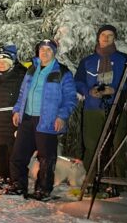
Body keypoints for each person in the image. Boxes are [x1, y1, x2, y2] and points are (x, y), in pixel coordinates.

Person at [8, 39, 77, 200]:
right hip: (27, 118)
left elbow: (70, 98)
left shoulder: (62, 72)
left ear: (54, 53)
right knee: (18, 155)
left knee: (46, 158)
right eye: (42, 49)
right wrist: (17, 110)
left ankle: (43, 190)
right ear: (38, 51)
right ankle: (18, 185)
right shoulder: (32, 69)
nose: (44, 52)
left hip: (47, 120)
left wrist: (62, 116)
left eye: (48, 50)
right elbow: (22, 93)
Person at [75, 25, 127, 176]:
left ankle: (119, 182)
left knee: (118, 144)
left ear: (115, 38)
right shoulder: (88, 61)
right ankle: (89, 180)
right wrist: (89, 91)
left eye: (110, 35)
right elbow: (78, 82)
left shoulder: (125, 59)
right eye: (103, 35)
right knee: (91, 145)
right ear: (98, 37)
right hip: (93, 108)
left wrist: (116, 89)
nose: (106, 38)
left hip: (117, 106)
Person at [0, 44, 27, 189]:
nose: (1, 65)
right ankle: (2, 176)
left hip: (11, 118)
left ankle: (14, 178)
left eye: (4, 63)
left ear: (9, 64)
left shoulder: (18, 78)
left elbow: (22, 98)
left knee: (12, 151)